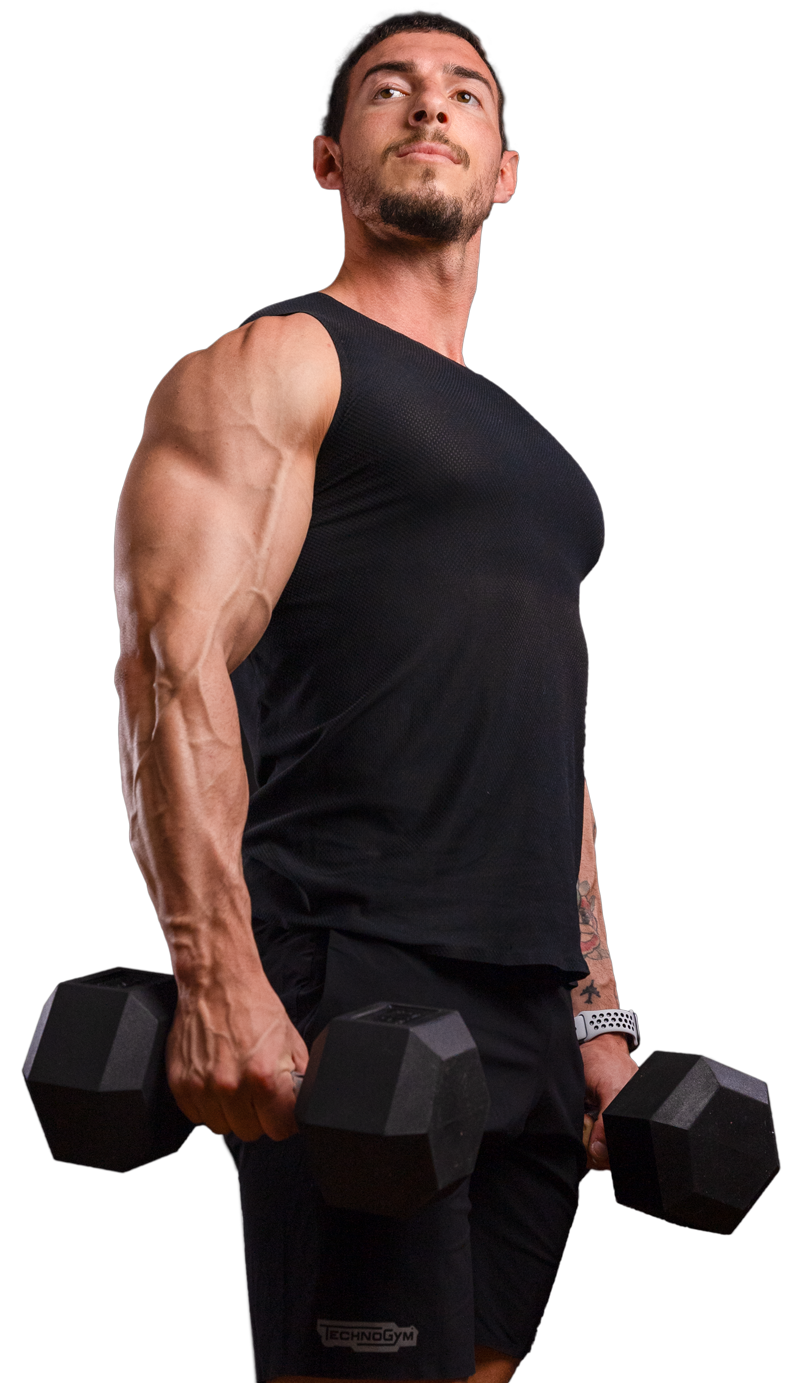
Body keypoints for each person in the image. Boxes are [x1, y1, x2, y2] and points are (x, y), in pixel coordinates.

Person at [113, 4, 640, 1380]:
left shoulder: (543, 459)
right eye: (387, 89)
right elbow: (168, 666)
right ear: (328, 159)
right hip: (356, 979)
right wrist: (217, 975)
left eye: (464, 92)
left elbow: (548, 745)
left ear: (505, 170)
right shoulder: (281, 361)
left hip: (529, 1003)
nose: (429, 105)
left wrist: (594, 1019)